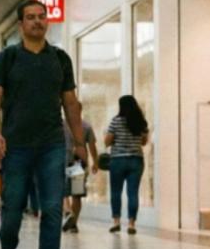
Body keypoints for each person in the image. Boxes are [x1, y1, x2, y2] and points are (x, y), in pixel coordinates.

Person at [0, 0, 86, 249]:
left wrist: (79, 142)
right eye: (30, 17)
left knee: (53, 206)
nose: (37, 21)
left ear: (47, 21)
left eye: (41, 17)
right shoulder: (7, 58)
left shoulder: (60, 58)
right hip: (15, 144)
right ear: (21, 24)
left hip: (52, 144)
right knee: (13, 206)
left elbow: (70, 102)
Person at [105, 95, 149, 235]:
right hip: (136, 160)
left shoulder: (116, 121)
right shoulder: (141, 122)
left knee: (116, 192)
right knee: (133, 193)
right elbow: (143, 142)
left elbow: (107, 141)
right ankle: (131, 224)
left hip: (118, 160)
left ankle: (116, 222)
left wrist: (113, 141)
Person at [62, 102, 99, 233]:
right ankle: (74, 223)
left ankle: (67, 212)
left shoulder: (60, 126)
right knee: (76, 194)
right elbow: (92, 146)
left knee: (62, 191)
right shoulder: (86, 126)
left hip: (62, 162)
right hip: (78, 164)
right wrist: (95, 161)